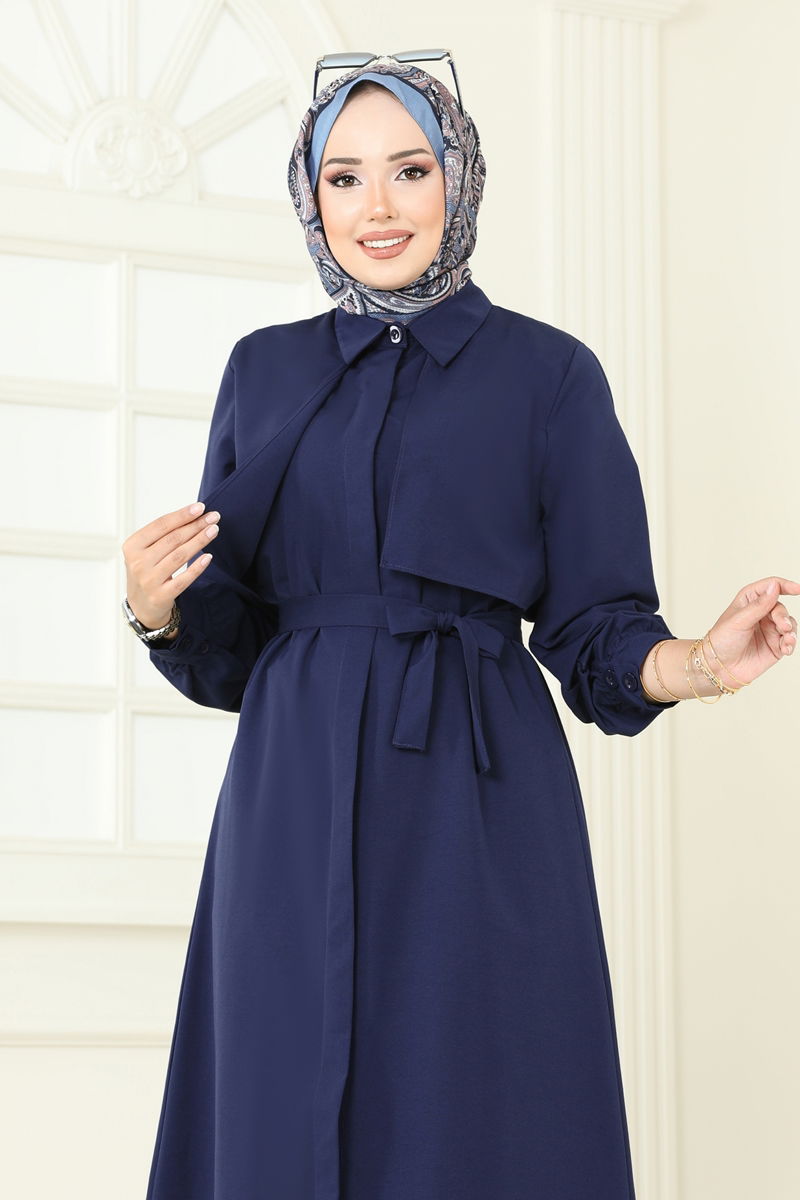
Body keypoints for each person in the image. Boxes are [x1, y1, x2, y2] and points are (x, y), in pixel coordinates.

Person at [121, 54, 798, 1200]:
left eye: (408, 169)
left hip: (473, 796)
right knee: (278, 1091)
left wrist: (692, 664)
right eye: (343, 178)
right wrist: (154, 609)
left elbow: (594, 625)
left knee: (475, 1105)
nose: (376, 207)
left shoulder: (548, 375)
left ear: (459, 178)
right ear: (311, 198)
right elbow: (230, 645)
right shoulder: (263, 370)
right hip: (289, 797)